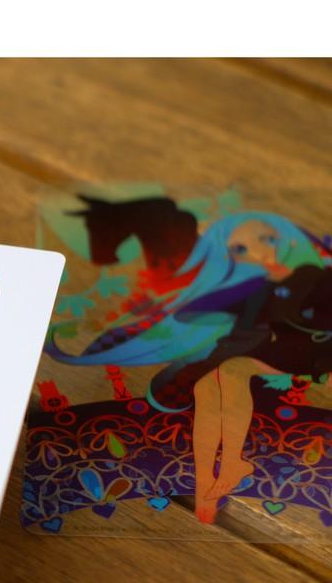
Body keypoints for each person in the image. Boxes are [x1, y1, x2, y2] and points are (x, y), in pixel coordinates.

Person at [46, 211, 332, 522]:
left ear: (288, 238)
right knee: (208, 385)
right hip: (284, 353)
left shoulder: (311, 275)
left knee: (231, 372)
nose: (260, 252)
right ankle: (208, 479)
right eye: (240, 249)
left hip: (318, 351)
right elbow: (208, 316)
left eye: (267, 239)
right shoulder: (254, 291)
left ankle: (227, 465)